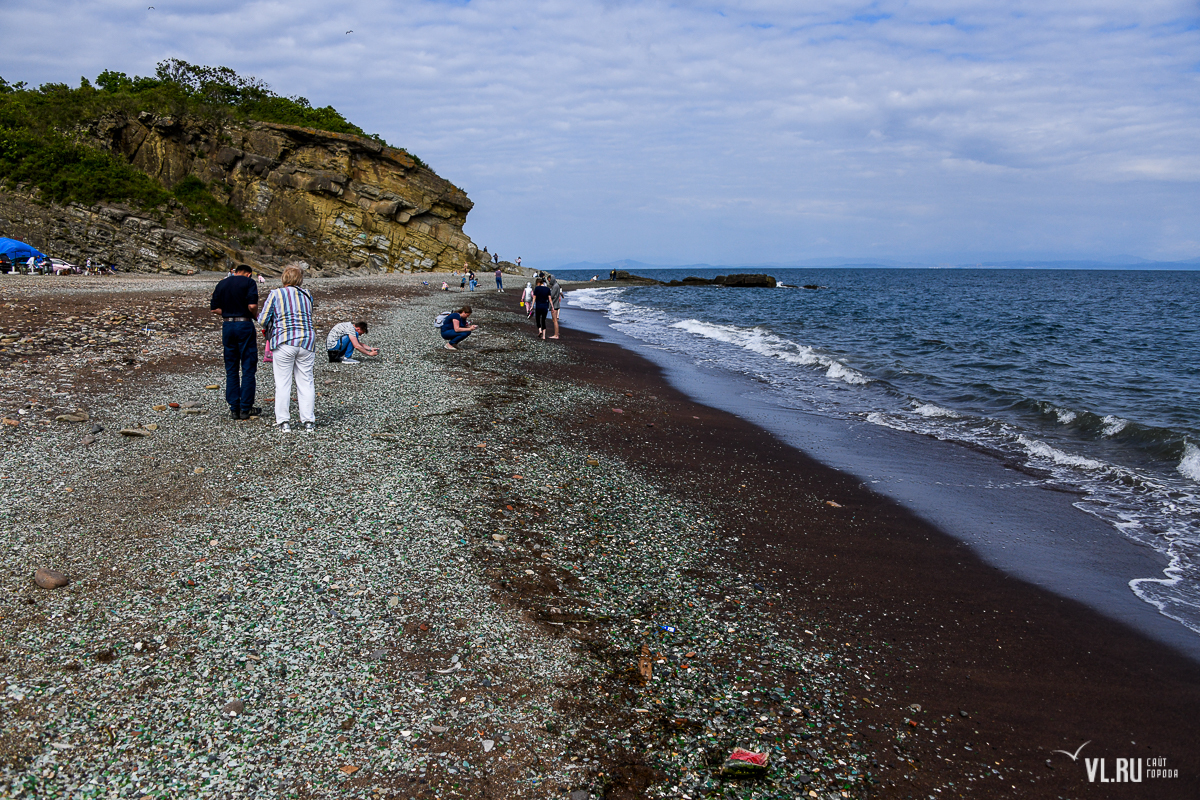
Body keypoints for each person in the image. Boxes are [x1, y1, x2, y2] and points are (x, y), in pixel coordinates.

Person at [258, 264, 316, 433]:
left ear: (284, 278)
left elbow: (263, 320)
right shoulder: (307, 294)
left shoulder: (276, 294)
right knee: (306, 381)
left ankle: (284, 421)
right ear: (300, 279)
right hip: (307, 340)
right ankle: (308, 421)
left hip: (284, 340)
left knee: (283, 383)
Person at [209, 263, 261, 420]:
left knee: (231, 367)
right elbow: (252, 305)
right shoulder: (249, 283)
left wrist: (228, 313)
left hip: (228, 324)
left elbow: (214, 308)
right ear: (248, 274)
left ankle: (234, 407)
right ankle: (246, 407)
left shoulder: (222, 283)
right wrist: (255, 315)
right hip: (244, 323)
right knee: (248, 366)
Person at [547, 272, 563, 340]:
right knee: (555, 319)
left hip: (554, 304)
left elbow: (552, 295)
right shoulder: (556, 285)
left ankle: (556, 335)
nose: (549, 281)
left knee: (555, 320)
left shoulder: (555, 286)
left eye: (549, 280)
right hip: (555, 304)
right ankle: (556, 333)